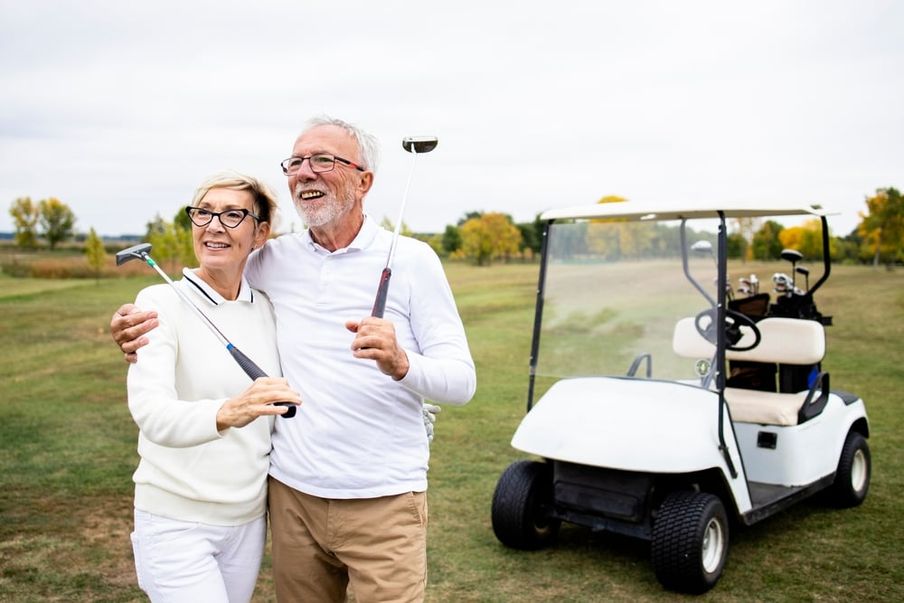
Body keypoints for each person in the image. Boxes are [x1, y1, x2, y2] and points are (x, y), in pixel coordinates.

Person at [112, 116, 477, 602]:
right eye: (296, 162)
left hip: (385, 501)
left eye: (323, 160)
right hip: (291, 501)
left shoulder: (411, 260)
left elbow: (462, 382)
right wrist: (133, 325)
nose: (305, 172)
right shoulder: (271, 261)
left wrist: (402, 362)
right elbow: (208, 281)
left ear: (364, 180)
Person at [126, 172, 301, 602]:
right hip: (174, 519)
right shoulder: (157, 303)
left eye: (232, 214)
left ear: (260, 233)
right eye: (203, 213)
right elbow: (152, 414)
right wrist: (229, 411)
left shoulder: (270, 309)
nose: (214, 225)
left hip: (247, 521)